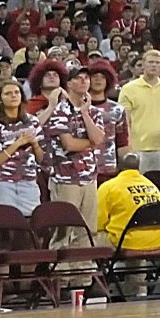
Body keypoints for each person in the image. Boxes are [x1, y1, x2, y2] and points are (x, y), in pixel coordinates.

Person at [39, 70, 107, 246]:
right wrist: (91, 142)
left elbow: (99, 139)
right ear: (68, 84)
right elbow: (69, 144)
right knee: (63, 231)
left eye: (86, 78)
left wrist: (84, 113)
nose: (84, 81)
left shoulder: (94, 112)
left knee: (88, 230)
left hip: (90, 178)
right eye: (78, 78)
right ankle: (60, 271)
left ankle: (83, 271)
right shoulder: (59, 111)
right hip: (65, 178)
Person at [0, 80, 43, 215]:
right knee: (7, 223)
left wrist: (34, 143)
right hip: (2, 182)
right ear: (0, 99)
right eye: (8, 93)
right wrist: (17, 143)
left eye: (17, 92)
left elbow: (41, 159)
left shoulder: (33, 121)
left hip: (28, 181)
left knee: (31, 223)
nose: (13, 96)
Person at [96, 153, 160, 257]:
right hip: (159, 240)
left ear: (118, 167)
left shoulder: (108, 187)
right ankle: (138, 273)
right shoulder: (152, 186)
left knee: (89, 236)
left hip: (127, 242)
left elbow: (98, 222)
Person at [119, 50, 160, 174]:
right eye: (151, 62)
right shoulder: (129, 89)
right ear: (143, 65)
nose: (154, 65)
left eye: (157, 63)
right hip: (137, 148)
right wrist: (128, 147)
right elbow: (125, 121)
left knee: (159, 186)